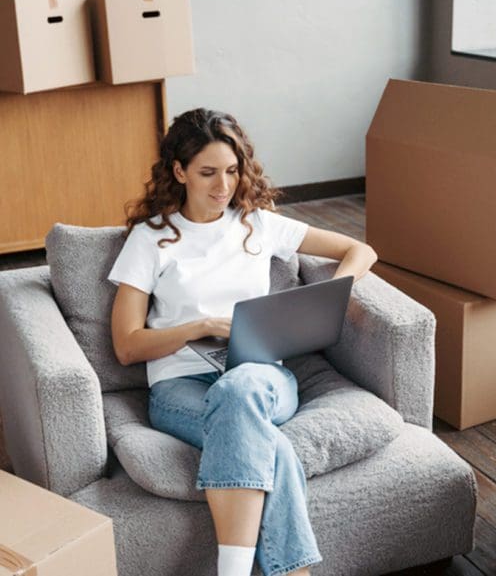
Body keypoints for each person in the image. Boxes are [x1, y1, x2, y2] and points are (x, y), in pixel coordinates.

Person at [107, 108, 377, 576]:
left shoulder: (259, 224)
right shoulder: (150, 240)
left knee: (241, 388)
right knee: (275, 450)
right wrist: (200, 326)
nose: (223, 186)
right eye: (208, 173)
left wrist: (332, 295)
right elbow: (127, 346)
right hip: (179, 386)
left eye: (232, 171)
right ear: (179, 171)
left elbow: (361, 250)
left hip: (261, 375)